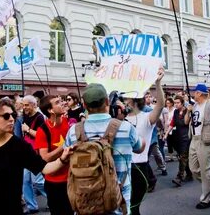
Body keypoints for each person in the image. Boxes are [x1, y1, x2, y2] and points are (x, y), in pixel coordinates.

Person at [0, 99, 72, 215]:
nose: (11, 119)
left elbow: (44, 168)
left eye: (12, 115)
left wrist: (62, 159)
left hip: (9, 208)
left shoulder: (19, 146)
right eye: (5, 116)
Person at [65, 82, 144, 214]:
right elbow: (140, 147)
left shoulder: (74, 131)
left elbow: (66, 158)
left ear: (84, 105)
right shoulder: (125, 127)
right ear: (107, 101)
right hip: (117, 204)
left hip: (84, 203)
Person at [124, 68, 165, 215]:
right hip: (121, 168)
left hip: (139, 168)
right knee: (122, 207)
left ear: (135, 100)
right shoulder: (119, 120)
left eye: (126, 99)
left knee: (134, 208)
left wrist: (158, 84)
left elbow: (160, 105)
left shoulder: (146, 118)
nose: (124, 102)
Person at [34, 95, 73, 215]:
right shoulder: (43, 130)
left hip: (73, 178)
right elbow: (45, 157)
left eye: (61, 101)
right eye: (57, 102)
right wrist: (64, 146)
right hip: (54, 183)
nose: (63, 103)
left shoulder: (69, 123)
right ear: (50, 110)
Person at [21, 95, 46, 215]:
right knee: (25, 180)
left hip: (36, 153)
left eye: (27, 105)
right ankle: (31, 206)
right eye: (23, 105)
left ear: (34, 104)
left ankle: (56, 198)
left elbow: (41, 136)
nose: (24, 107)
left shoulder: (40, 117)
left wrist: (27, 130)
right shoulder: (25, 116)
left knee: (38, 182)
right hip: (27, 151)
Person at [164, 95, 193, 186]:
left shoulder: (187, 110)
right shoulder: (176, 111)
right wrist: (166, 133)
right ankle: (189, 174)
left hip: (186, 137)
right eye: (175, 103)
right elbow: (172, 123)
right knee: (183, 157)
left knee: (182, 157)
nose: (176, 105)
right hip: (178, 136)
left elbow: (186, 122)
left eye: (178, 103)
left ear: (182, 103)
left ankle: (179, 177)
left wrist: (188, 111)